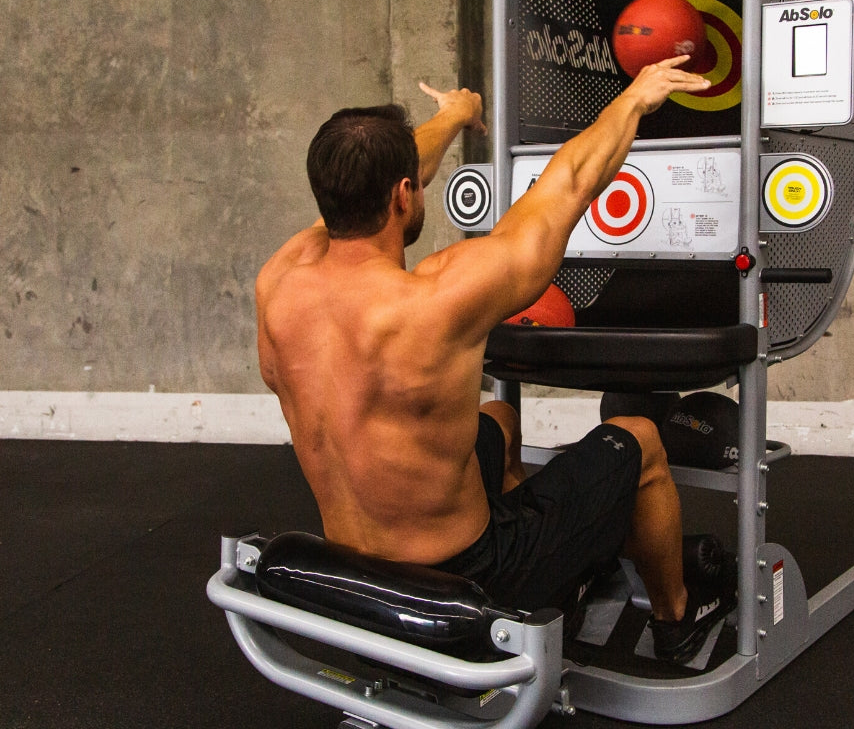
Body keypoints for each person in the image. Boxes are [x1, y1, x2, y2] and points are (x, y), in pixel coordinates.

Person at [256, 57, 736, 664]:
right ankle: (676, 617)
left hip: (352, 563)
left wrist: (454, 114)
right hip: (474, 574)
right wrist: (636, 99)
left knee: (499, 421)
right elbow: (571, 182)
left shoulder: (279, 282)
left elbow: (379, 175)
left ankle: (566, 573)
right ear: (404, 193)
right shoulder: (437, 299)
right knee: (638, 439)